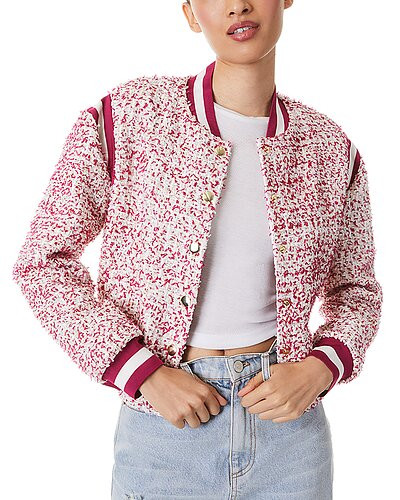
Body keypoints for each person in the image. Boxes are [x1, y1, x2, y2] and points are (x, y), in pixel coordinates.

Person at [12, 1, 383, 498]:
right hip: (166, 430)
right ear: (190, 14)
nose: (238, 5)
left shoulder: (330, 147)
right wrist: (141, 372)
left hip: (290, 437)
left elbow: (356, 290)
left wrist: (321, 367)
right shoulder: (129, 117)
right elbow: (43, 262)